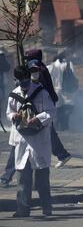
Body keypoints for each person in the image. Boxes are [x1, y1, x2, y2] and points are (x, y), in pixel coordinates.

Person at [7, 66, 56, 217]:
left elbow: (51, 112)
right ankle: (22, 209)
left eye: (26, 81)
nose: (24, 85)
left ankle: (46, 207)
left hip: (38, 140)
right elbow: (8, 112)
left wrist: (38, 119)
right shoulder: (13, 95)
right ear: (16, 80)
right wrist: (13, 116)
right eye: (21, 82)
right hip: (22, 140)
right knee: (22, 178)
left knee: (41, 178)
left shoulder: (42, 93)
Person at [47, 52, 77, 131]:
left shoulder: (51, 66)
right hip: (66, 91)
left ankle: (57, 127)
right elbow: (73, 76)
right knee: (67, 109)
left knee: (57, 110)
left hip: (55, 91)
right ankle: (64, 127)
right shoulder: (68, 64)